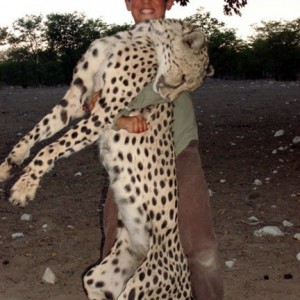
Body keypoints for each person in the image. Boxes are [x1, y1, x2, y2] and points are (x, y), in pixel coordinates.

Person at [101, 0, 224, 299]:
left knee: (201, 249)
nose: (145, 3)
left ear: (169, 2)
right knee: (117, 250)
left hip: (179, 152)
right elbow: (91, 103)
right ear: (127, 3)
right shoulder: (109, 50)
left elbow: (188, 75)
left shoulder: (184, 39)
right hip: (129, 160)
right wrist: (120, 117)